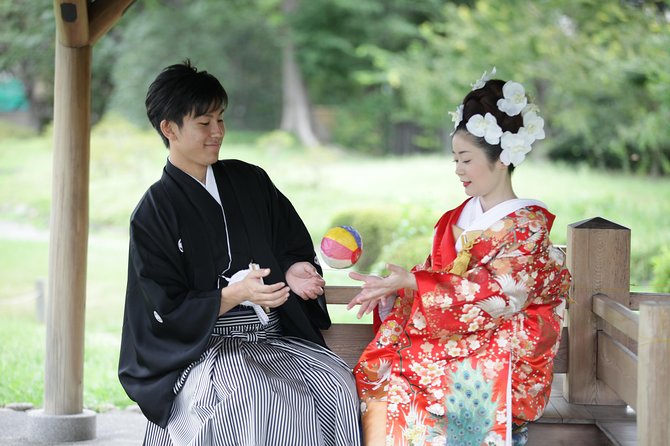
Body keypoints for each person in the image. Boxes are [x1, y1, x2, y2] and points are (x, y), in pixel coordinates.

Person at [118, 60, 361, 445]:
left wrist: (296, 268)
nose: (217, 132)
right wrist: (236, 294)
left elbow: (288, 243)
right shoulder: (154, 213)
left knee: (336, 384)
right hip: (206, 351)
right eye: (204, 123)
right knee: (258, 397)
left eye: (221, 119)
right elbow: (164, 307)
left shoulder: (249, 180)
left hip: (273, 338)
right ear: (169, 129)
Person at [346, 69, 571, 446]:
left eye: (466, 160)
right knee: (382, 373)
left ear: (501, 158)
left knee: (435, 390)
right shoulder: (457, 218)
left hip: (496, 356)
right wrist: (394, 291)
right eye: (455, 160)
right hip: (450, 344)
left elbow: (497, 293)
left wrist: (415, 284)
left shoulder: (528, 226)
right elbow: (434, 276)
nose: (458, 171)